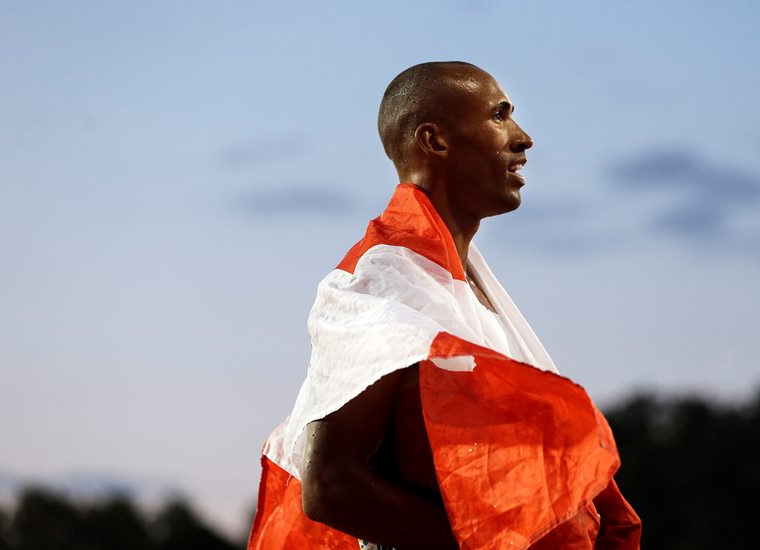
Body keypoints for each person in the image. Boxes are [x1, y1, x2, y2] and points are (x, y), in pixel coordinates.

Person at [248, 62, 641, 549]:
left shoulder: (465, 289)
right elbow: (329, 485)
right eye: (499, 116)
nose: (523, 139)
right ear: (434, 140)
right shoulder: (383, 280)